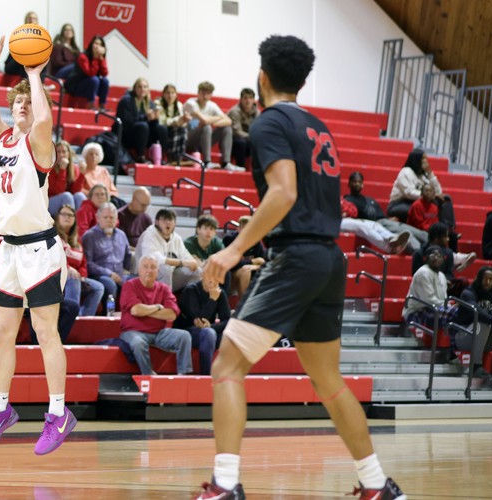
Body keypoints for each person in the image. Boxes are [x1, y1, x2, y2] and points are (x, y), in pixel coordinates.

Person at [196, 35, 405, 499]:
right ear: (302, 79)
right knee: (328, 381)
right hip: (330, 258)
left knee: (227, 367)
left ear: (262, 77)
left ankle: (225, 486)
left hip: (297, 256)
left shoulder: (270, 122)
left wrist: (232, 252)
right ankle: (376, 486)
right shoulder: (318, 126)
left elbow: (284, 192)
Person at [0, 27, 76, 455]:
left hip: (40, 249)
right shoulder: (2, 140)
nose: (20, 106)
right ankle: (1, 409)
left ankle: (58, 413)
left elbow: (46, 119)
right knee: (3, 333)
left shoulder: (40, 144)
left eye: (27, 103)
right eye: (16, 101)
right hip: (10, 248)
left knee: (45, 331)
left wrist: (35, 73)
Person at [119, 254, 193, 375]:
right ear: (139, 269)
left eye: (153, 267)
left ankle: (184, 374)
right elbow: (136, 310)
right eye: (145, 267)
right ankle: (148, 375)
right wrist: (157, 307)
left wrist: (145, 311)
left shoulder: (164, 288)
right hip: (132, 331)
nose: (149, 270)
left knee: (184, 336)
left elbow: (171, 315)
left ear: (158, 271)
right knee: (138, 342)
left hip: (159, 332)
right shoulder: (130, 285)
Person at [343, 171, 426, 248]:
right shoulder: (347, 200)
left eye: (360, 182)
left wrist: (388, 219)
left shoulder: (369, 199)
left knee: (419, 233)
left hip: (385, 221)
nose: (357, 184)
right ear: (349, 184)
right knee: (408, 235)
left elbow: (380, 214)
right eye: (355, 182)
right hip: (376, 224)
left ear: (363, 184)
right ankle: (421, 255)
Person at [386, 148, 456, 233]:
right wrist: (429, 196)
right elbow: (409, 193)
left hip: (418, 201)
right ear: (416, 159)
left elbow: (439, 192)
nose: (426, 161)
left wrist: (430, 173)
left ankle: (446, 229)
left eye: (426, 158)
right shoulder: (406, 172)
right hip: (399, 203)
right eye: (423, 158)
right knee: (421, 208)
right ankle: (432, 232)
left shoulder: (424, 175)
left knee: (445, 199)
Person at [134, 209, 201, 293]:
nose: (168, 223)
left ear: (175, 223)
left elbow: (185, 255)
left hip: (169, 277)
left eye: (170, 220)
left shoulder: (177, 238)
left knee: (196, 271)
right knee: (165, 269)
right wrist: (182, 262)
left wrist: (193, 262)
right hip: (144, 276)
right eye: (164, 220)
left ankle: (187, 302)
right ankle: (166, 302)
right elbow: (155, 259)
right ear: (157, 222)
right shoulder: (149, 235)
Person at [55, 204, 104, 316]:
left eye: (71, 215)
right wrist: (68, 268)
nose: (67, 217)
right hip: (56, 273)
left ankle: (84, 318)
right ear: (58, 217)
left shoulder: (77, 240)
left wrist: (82, 275)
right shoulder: (53, 235)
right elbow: (52, 256)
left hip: (75, 275)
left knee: (98, 287)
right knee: (73, 278)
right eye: (64, 214)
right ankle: (71, 315)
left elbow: (83, 263)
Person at [401, 245, 457, 340]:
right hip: (416, 312)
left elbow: (442, 299)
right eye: (432, 255)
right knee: (453, 314)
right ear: (425, 258)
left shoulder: (442, 276)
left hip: (434, 309)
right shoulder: (423, 272)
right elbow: (429, 300)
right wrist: (449, 306)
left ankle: (454, 347)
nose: (436, 258)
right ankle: (452, 349)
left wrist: (449, 306)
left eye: (439, 255)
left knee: (459, 314)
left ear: (443, 259)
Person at [175, 275, 228, 375]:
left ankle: (230, 376)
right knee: (209, 333)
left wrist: (211, 326)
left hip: (208, 330)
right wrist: (212, 299)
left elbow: (227, 320)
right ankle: (206, 375)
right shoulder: (190, 290)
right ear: (204, 276)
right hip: (187, 332)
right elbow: (199, 321)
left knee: (232, 335)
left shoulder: (219, 292)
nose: (214, 280)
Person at [184, 81, 239, 171]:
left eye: (208, 93)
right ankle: (206, 162)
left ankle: (225, 163)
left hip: (204, 141)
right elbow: (204, 121)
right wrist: (218, 118)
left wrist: (213, 122)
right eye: (203, 93)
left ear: (211, 95)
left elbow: (229, 121)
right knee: (206, 127)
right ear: (198, 93)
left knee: (227, 128)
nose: (205, 96)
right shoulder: (191, 103)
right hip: (189, 140)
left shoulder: (212, 105)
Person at [82, 203, 132, 304]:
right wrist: (109, 274)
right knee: (110, 284)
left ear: (116, 219)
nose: (109, 220)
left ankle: (130, 315)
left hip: (120, 274)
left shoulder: (121, 235)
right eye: (105, 217)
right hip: (100, 275)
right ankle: (109, 315)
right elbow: (88, 263)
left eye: (112, 217)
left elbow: (128, 255)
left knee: (136, 281)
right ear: (98, 218)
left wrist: (126, 271)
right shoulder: (90, 236)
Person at [116, 77, 166, 164]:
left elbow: (152, 124)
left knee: (161, 128)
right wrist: (146, 117)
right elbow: (127, 122)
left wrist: (155, 118)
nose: (142, 89)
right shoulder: (126, 101)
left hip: (143, 136)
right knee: (143, 126)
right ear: (135, 88)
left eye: (145, 87)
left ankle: (161, 158)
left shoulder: (150, 102)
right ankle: (140, 157)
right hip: (127, 135)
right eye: (140, 87)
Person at [340, 198, 411, 255]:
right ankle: (390, 248)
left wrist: (345, 211)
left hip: (345, 219)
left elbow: (353, 211)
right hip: (336, 223)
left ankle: (392, 237)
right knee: (364, 227)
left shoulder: (340, 200)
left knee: (374, 224)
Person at [64, 35, 109, 110]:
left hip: (91, 86)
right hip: (77, 86)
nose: (98, 46)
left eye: (100, 45)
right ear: (91, 44)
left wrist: (101, 59)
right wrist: (95, 58)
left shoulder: (100, 57)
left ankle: (102, 106)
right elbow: (90, 73)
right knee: (94, 79)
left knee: (105, 81)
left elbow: (104, 73)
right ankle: (91, 105)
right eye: (96, 43)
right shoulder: (83, 56)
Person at [158, 84, 191, 165]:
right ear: (163, 94)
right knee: (176, 129)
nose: (170, 95)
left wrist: (184, 119)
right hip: (163, 132)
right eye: (168, 93)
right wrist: (178, 120)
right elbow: (163, 121)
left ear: (176, 94)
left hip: (176, 130)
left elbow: (180, 122)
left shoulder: (179, 105)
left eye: (173, 93)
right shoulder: (158, 104)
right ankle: (172, 158)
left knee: (183, 130)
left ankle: (179, 157)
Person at [227, 88, 258, 168]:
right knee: (241, 142)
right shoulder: (235, 111)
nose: (248, 101)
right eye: (245, 98)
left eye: (250, 98)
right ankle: (240, 168)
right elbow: (237, 132)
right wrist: (252, 137)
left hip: (249, 140)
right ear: (241, 99)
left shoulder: (257, 112)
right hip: (232, 142)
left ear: (253, 100)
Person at [3, 12, 39, 78]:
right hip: (15, 64)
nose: (31, 20)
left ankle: (40, 82)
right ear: (25, 21)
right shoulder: (19, 35)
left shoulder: (41, 39)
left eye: (34, 18)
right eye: (29, 18)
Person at [46, 140, 77, 217]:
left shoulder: (74, 168)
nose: (61, 155)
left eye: (64, 152)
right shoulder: (49, 168)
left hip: (66, 200)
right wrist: (62, 170)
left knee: (79, 196)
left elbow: (76, 191)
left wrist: (82, 175)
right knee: (67, 196)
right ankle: (70, 222)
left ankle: (79, 225)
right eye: (58, 152)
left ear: (68, 154)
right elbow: (57, 191)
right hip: (49, 202)